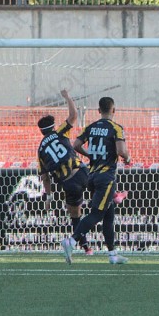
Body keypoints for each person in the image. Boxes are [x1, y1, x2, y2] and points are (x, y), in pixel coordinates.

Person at [61, 96, 131, 265]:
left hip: (92, 176)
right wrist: (127, 158)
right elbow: (121, 150)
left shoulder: (91, 127)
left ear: (99, 111)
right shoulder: (116, 128)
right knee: (97, 214)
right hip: (106, 178)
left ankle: (113, 255)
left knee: (109, 215)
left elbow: (76, 145)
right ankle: (71, 241)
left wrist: (90, 155)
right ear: (113, 110)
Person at [37, 89, 94, 256]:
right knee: (101, 202)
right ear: (53, 126)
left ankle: (86, 248)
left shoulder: (40, 150)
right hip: (82, 172)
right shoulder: (60, 132)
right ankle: (114, 195)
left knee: (75, 215)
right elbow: (74, 115)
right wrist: (68, 97)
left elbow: (45, 177)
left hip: (69, 183)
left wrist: (49, 197)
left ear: (41, 131)